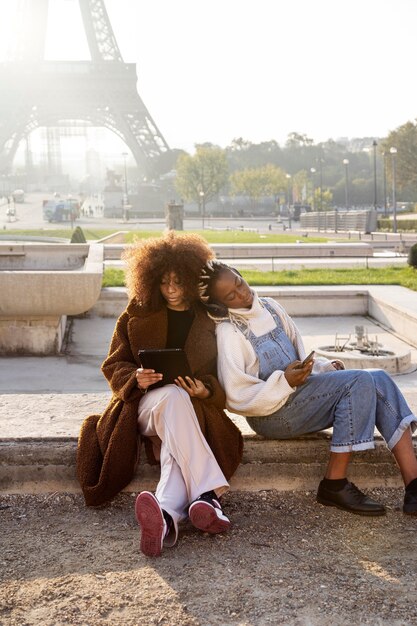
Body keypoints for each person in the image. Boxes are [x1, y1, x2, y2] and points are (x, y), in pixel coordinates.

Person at [198, 260, 417, 516]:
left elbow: (302, 358)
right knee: (359, 381)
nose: (242, 293)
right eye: (231, 296)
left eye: (239, 283)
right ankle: (334, 484)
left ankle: (413, 484)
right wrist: (285, 382)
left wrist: (324, 368)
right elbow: (237, 397)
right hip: (271, 416)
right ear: (221, 303)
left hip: (302, 400)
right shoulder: (230, 332)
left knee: (378, 377)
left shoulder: (271, 307)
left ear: (240, 275)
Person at [77, 234, 243, 557]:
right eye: (164, 281)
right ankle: (209, 494)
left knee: (175, 442)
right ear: (151, 278)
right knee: (171, 399)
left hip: (186, 409)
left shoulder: (206, 318)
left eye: (177, 281)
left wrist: (205, 388)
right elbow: (113, 364)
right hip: (142, 405)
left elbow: (220, 375)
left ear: (191, 278)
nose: (169, 289)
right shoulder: (138, 311)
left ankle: (166, 517)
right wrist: (136, 378)